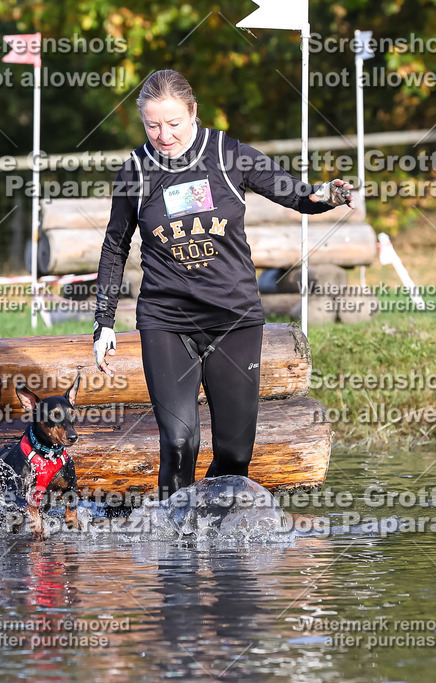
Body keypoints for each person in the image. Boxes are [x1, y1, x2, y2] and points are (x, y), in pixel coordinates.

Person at [92, 69, 353, 499]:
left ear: (193, 112)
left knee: (234, 453)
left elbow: (296, 194)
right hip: (166, 320)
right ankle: (175, 549)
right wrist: (103, 321)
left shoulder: (229, 154)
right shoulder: (135, 171)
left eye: (173, 123)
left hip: (234, 319)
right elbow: (115, 248)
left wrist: (326, 195)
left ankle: (217, 537)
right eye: (153, 125)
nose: (164, 135)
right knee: (179, 443)